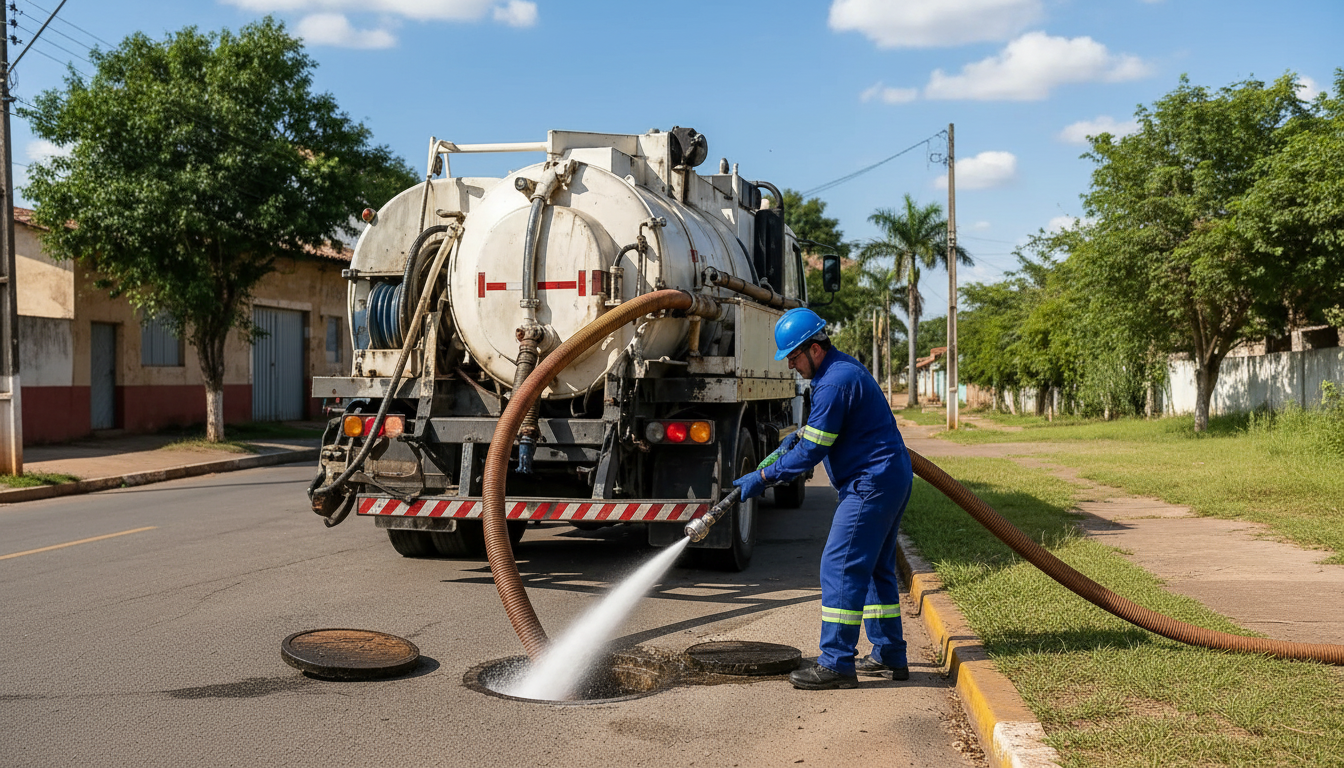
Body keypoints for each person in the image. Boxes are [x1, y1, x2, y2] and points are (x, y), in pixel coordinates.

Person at [732, 307, 913, 690]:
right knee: (876, 568)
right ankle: (889, 654)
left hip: (870, 483)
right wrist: (798, 437)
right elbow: (817, 435)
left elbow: (813, 452)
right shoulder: (839, 372)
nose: (792, 366)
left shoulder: (833, 382)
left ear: (814, 348)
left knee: (841, 565)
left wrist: (763, 476)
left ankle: (835, 663)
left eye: (794, 357)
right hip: (887, 478)